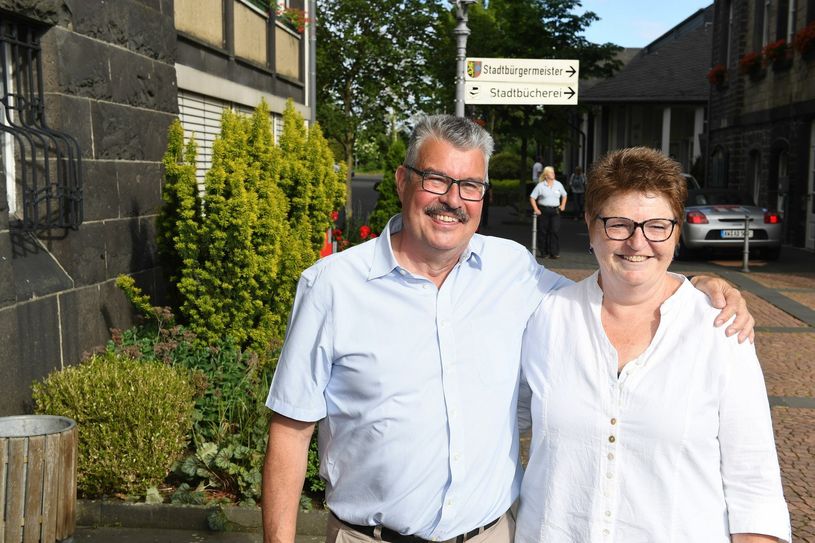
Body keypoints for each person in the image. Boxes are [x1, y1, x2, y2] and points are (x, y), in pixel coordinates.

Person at [261, 117, 753, 543]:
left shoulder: (513, 270)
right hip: (368, 536)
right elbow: (289, 430)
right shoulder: (331, 287)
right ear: (402, 181)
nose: (452, 200)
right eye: (435, 179)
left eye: (470, 185)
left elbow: (612, 287)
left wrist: (694, 286)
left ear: (483, 194)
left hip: (491, 534)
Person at [517, 147, 790, 543]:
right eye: (618, 224)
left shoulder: (718, 328)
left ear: (676, 233)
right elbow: (503, 423)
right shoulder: (549, 317)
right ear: (592, 229)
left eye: (657, 225)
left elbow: (754, 480)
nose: (637, 241)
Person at [529, 166, 567, 259]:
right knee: (543, 231)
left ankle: (554, 252)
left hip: (555, 210)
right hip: (544, 210)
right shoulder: (540, 186)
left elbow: (565, 195)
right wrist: (536, 209)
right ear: (546, 175)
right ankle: (543, 252)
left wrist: (563, 205)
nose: (553, 174)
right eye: (551, 173)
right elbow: (532, 197)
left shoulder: (558, 184)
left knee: (554, 231)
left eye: (553, 172)